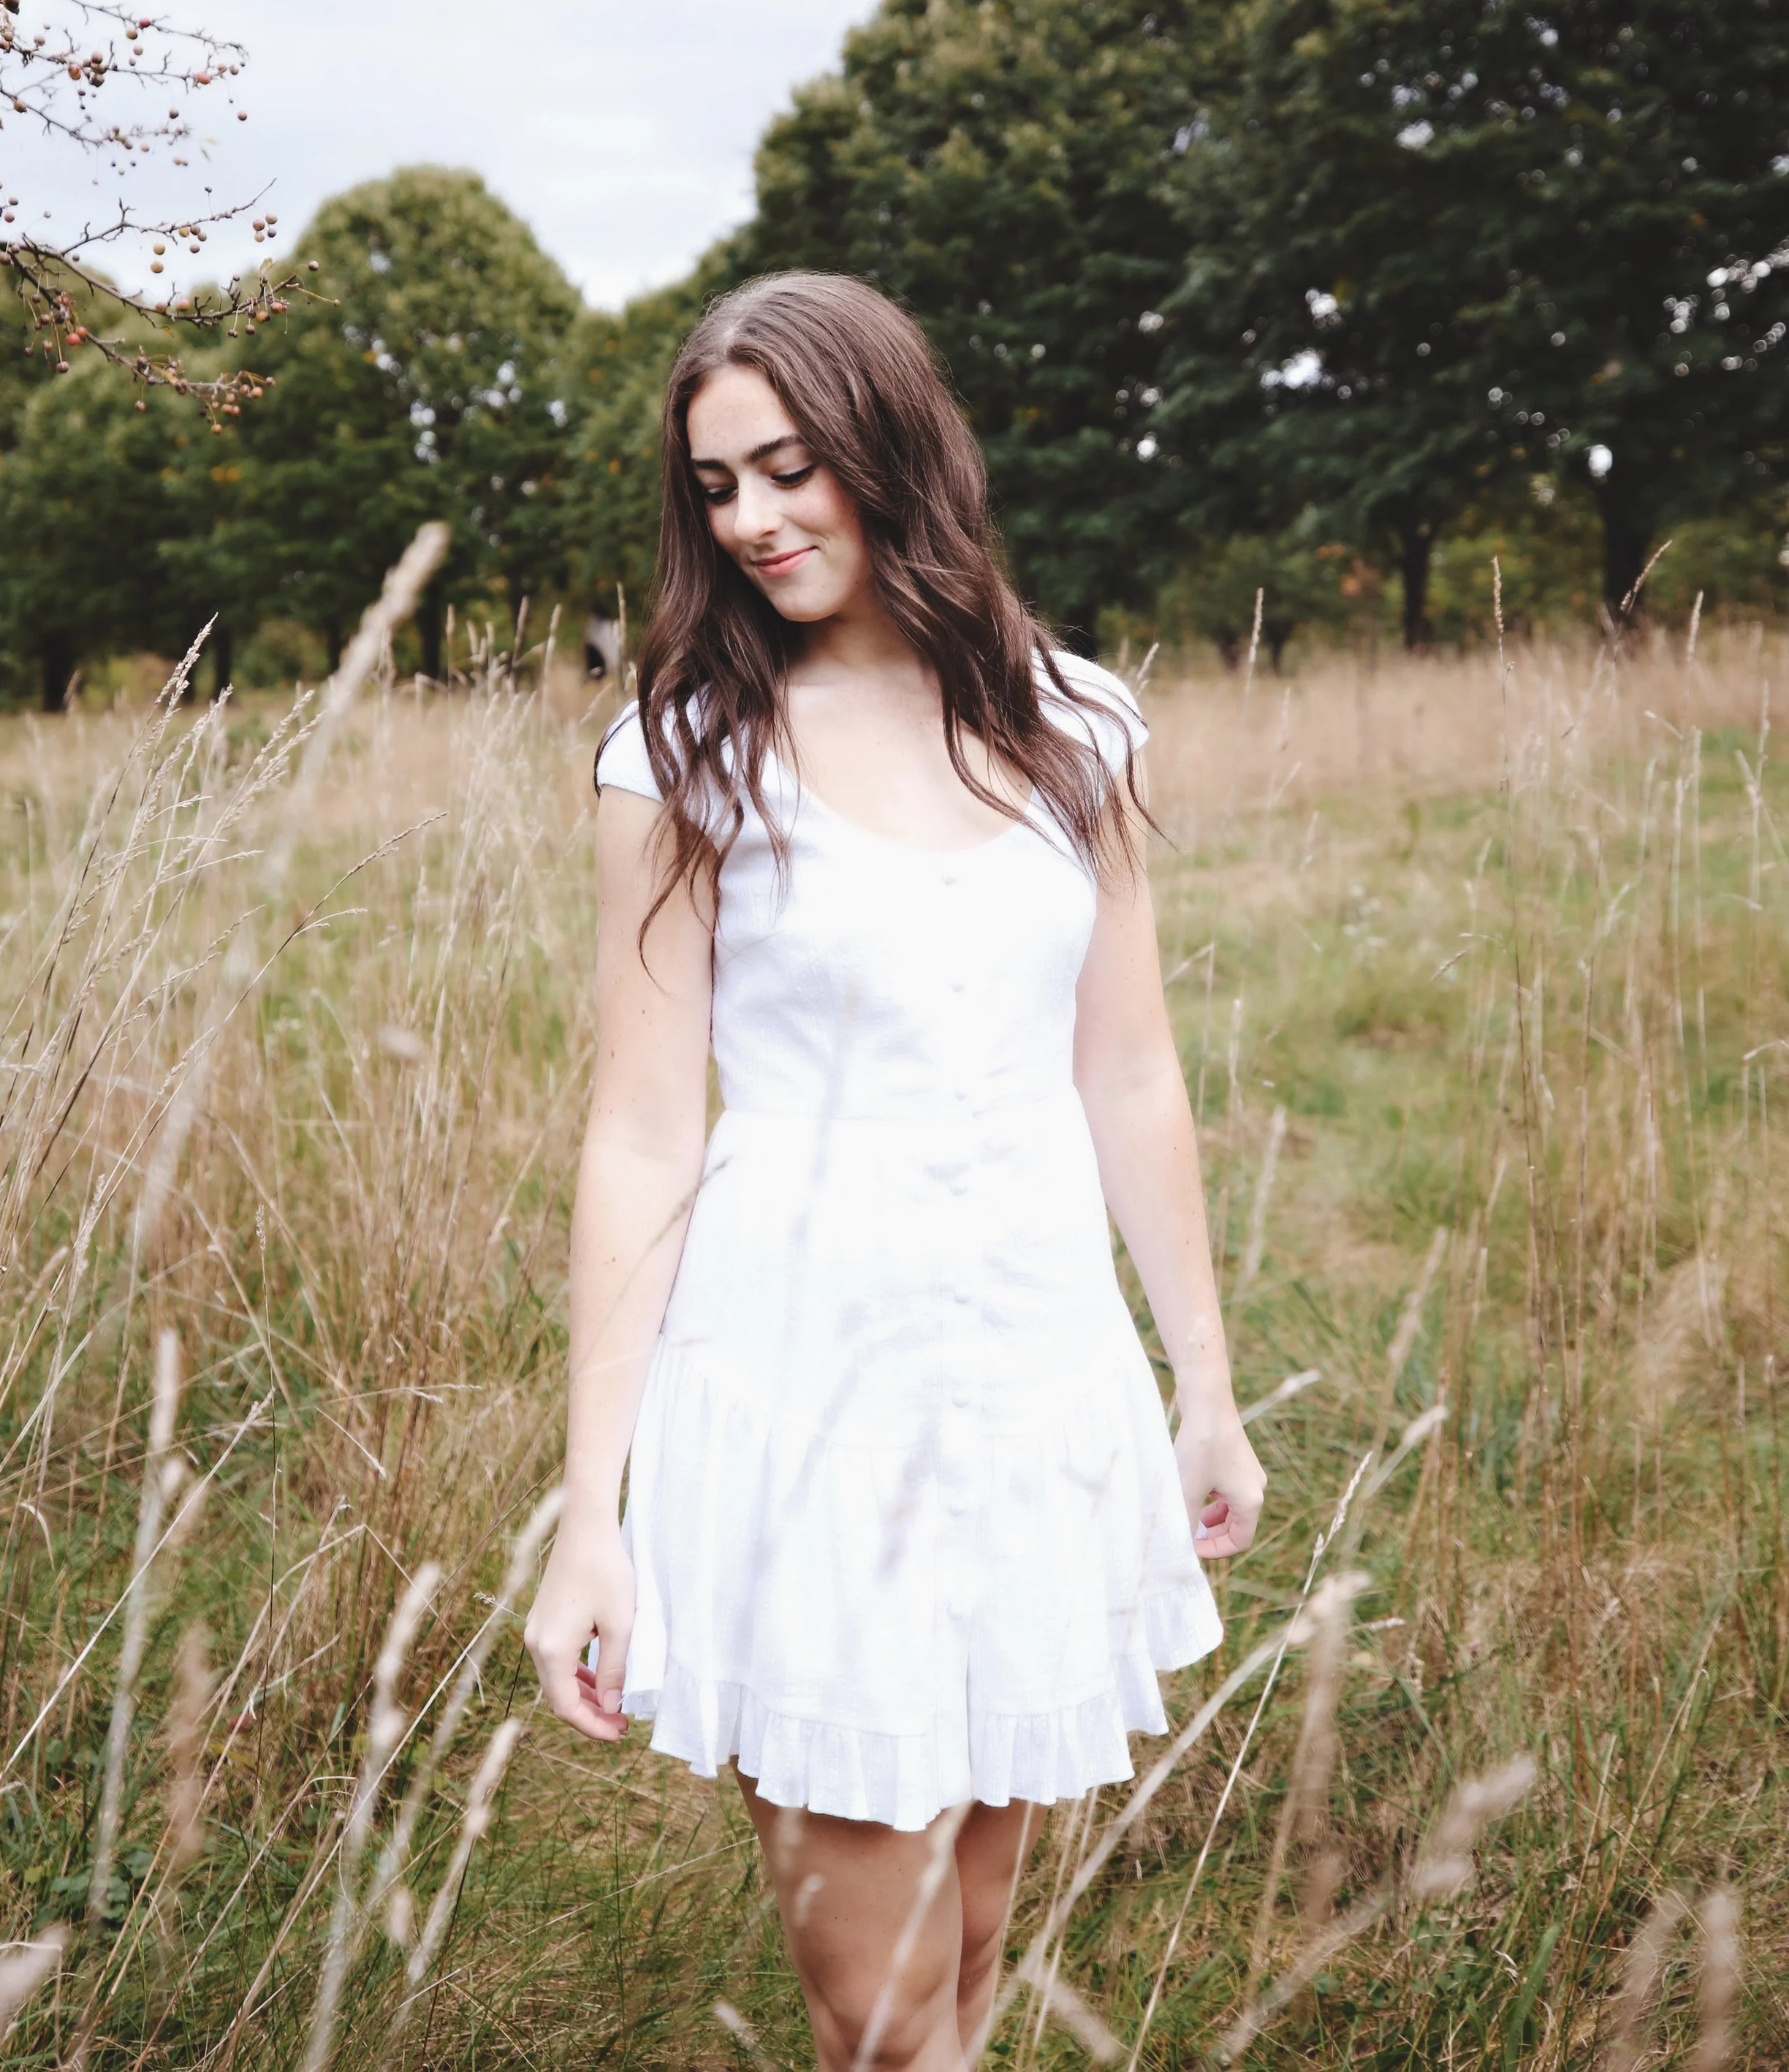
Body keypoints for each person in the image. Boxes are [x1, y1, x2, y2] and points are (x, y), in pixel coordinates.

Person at [525, 273, 1265, 2072]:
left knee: (973, 1948)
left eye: (788, 468)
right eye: (715, 487)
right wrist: (589, 1512)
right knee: (880, 2016)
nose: (754, 520)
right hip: (800, 1398)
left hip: (1030, 1371)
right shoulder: (681, 754)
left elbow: (1129, 1067)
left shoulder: (1070, 721)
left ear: (889, 447)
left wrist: (1204, 1388)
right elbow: (641, 1132)